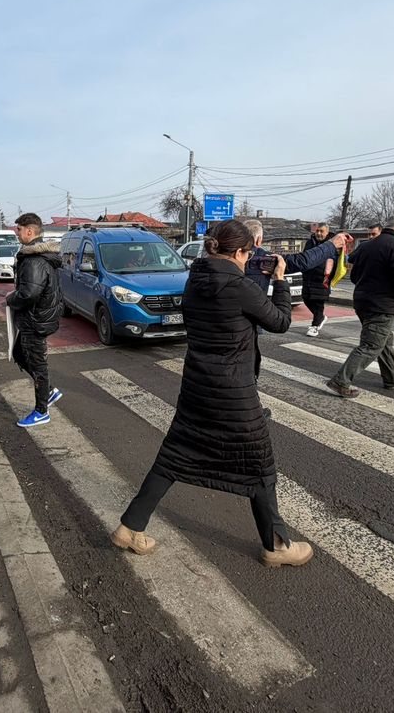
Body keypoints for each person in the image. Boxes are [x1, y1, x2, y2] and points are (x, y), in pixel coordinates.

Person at [112, 220, 313, 567]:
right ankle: (276, 546)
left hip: (197, 386)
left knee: (174, 456)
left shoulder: (195, 280)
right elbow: (280, 321)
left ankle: (130, 527)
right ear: (238, 252)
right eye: (248, 254)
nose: (249, 260)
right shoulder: (238, 285)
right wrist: (279, 281)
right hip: (233, 393)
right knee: (259, 466)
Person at [327, 214, 394, 398]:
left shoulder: (367, 245)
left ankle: (393, 378)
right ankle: (340, 381)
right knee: (371, 345)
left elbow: (354, 273)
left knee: (383, 340)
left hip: (363, 300)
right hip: (382, 304)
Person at [242, 220, 348, 340]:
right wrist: (332, 245)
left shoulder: (224, 256)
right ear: (258, 240)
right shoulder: (264, 260)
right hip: (249, 326)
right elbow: (302, 261)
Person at [6, 213, 64, 427]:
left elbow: (29, 293)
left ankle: (41, 411)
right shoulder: (41, 255)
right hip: (40, 317)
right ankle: (49, 391)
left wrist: (11, 298)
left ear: (30, 231)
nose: (16, 232)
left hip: (35, 320)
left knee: (38, 365)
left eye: (18, 229)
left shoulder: (33, 259)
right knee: (20, 353)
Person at [301, 223, 338, 337]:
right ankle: (320, 317)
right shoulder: (310, 242)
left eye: (321, 231)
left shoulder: (332, 244)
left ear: (327, 232)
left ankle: (315, 325)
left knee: (318, 302)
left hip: (323, 278)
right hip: (308, 276)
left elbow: (335, 261)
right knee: (306, 298)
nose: (318, 233)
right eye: (317, 231)